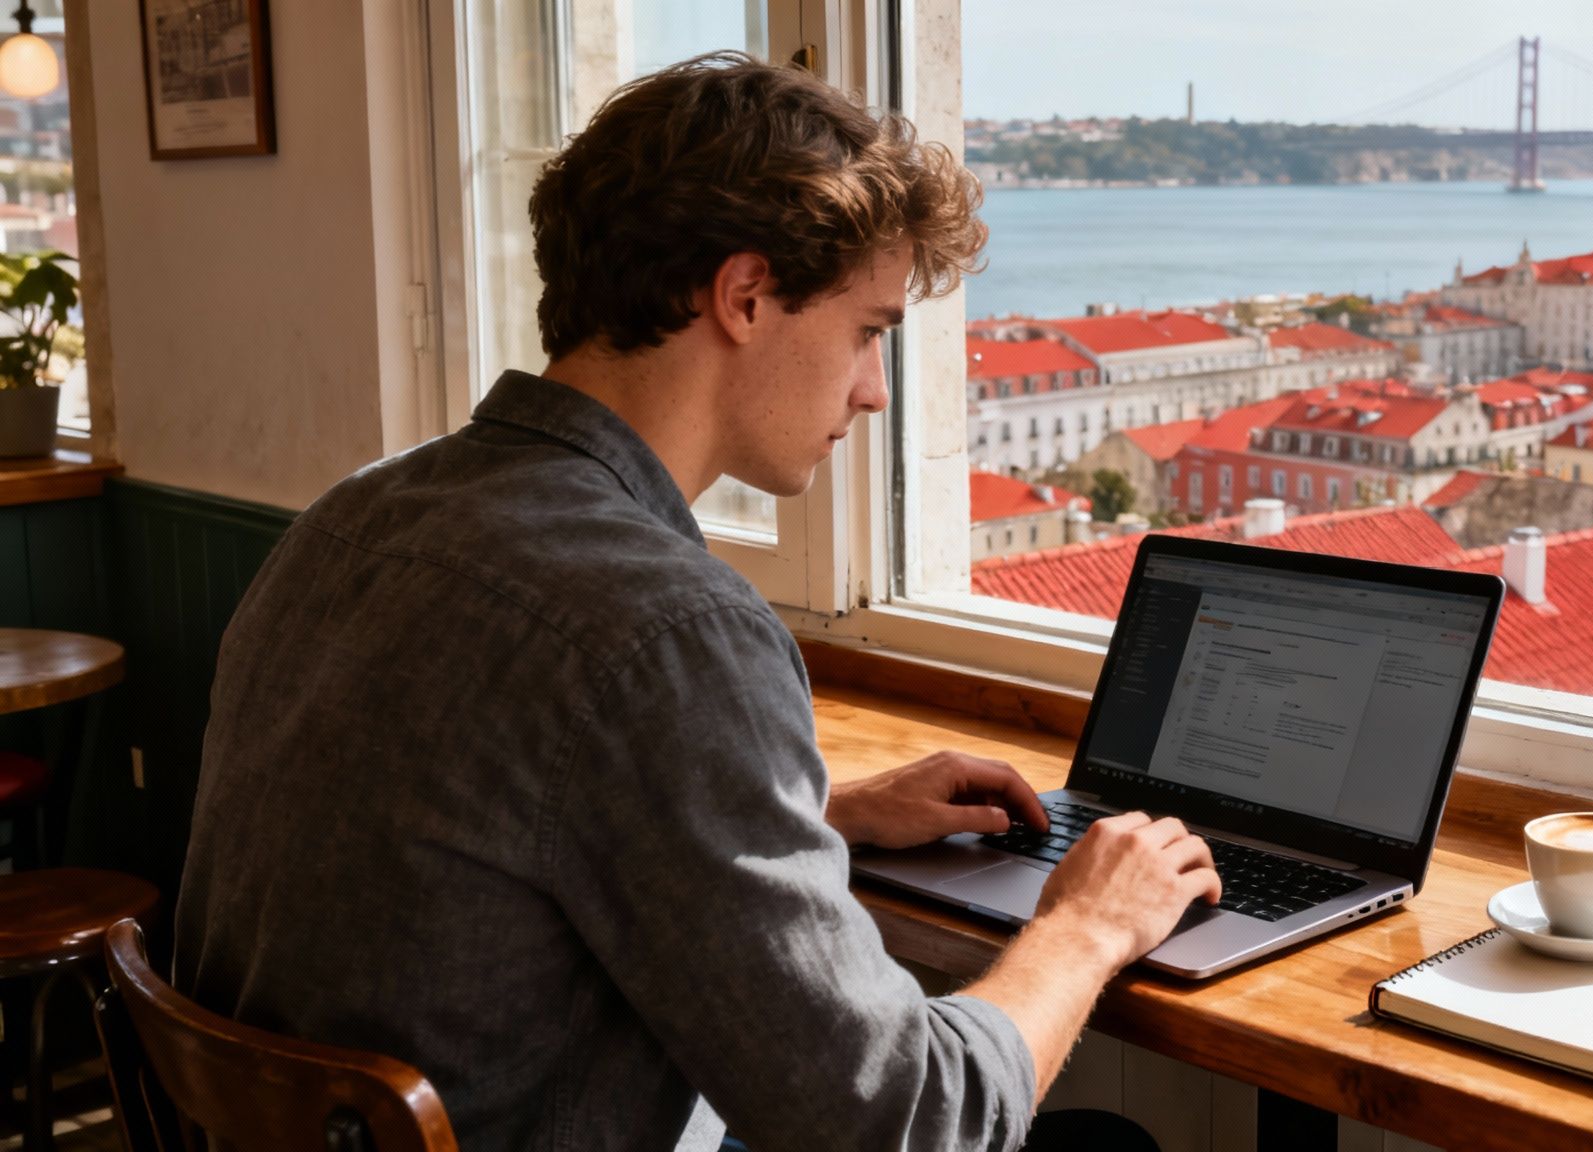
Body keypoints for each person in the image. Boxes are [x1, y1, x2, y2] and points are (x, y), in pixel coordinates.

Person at [175, 51, 1219, 1152]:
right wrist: (1085, 929)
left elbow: (466, 855)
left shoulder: (353, 518)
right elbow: (902, 1125)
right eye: (867, 332)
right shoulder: (669, 632)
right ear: (744, 295)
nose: (872, 389)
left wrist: (812, 819)